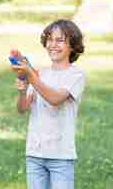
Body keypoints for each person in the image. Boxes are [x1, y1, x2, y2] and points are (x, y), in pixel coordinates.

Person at [11, 19, 86, 189]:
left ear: (72, 46)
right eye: (50, 39)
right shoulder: (41, 74)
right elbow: (22, 108)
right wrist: (23, 91)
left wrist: (31, 76)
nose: (53, 44)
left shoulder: (76, 75)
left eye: (60, 40)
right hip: (34, 154)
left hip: (61, 156)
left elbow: (55, 99)